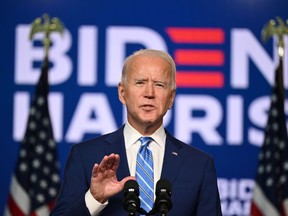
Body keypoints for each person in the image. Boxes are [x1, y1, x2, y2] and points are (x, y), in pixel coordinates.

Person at [51, 49, 222, 216]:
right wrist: (95, 198)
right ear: (122, 93)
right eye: (140, 82)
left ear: (171, 98)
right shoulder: (85, 156)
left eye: (159, 85)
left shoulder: (199, 165)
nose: (149, 93)